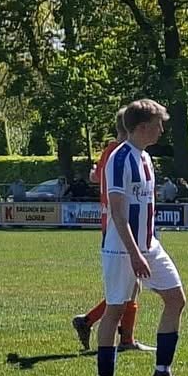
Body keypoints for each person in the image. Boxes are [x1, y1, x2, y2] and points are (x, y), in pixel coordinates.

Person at [91, 99, 188, 376]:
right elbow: (118, 214)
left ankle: (162, 374)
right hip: (123, 248)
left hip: (148, 245)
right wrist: (134, 253)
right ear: (142, 127)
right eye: (159, 124)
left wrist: (145, 249)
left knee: (176, 299)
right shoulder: (120, 159)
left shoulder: (145, 157)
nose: (162, 129)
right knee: (115, 309)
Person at [74, 134, 145, 357]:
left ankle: (98, 324)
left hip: (113, 224)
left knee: (131, 287)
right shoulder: (120, 154)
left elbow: (96, 177)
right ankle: (121, 337)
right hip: (118, 226)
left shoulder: (110, 152)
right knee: (127, 289)